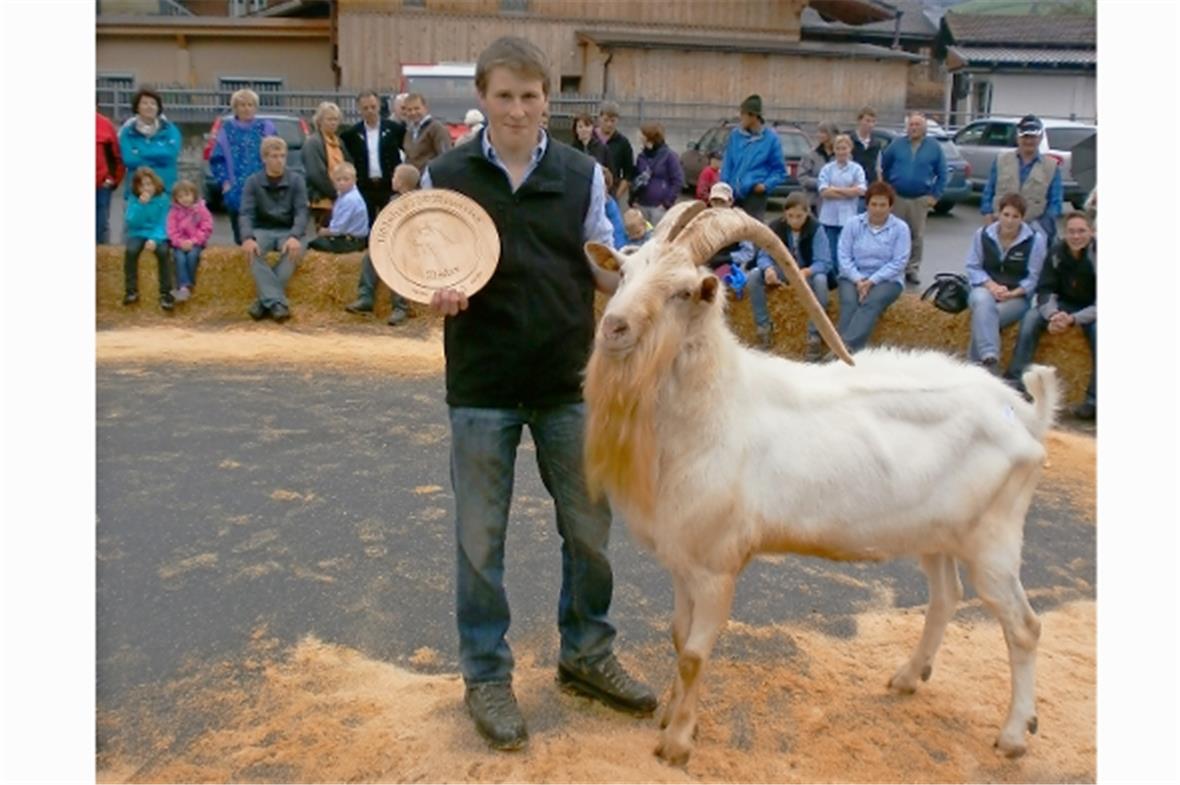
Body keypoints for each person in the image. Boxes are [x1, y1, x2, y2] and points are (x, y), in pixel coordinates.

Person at [420, 35, 656, 752]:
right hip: (483, 384)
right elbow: (421, 265)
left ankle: (586, 653)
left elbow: (607, 268)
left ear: (548, 100)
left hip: (564, 383)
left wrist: (652, 271)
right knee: (479, 539)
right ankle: (487, 674)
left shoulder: (585, 176)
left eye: (530, 96)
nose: (518, 109)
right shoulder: (445, 176)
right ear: (483, 98)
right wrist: (434, 295)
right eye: (504, 96)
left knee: (589, 530)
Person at [1005, 212, 1096, 419]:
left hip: (1092, 308)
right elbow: (1045, 290)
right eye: (1071, 232)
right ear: (1064, 233)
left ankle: (1094, 400)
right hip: (1061, 305)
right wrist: (1053, 314)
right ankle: (1016, 381)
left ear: (1091, 232)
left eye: (1081, 231)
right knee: (1030, 319)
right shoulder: (1056, 252)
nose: (1076, 236)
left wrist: (1073, 319)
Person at [964, 193, 1046, 373]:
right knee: (983, 303)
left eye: (1015, 216)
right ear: (999, 214)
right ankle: (990, 355)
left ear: (1022, 218)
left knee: (986, 318)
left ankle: (974, 368)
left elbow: (1034, 277)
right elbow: (972, 266)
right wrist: (991, 286)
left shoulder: (1035, 240)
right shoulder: (982, 234)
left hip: (1016, 296)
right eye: (1006, 215)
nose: (1009, 221)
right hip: (985, 288)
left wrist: (1013, 293)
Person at [747, 192, 834, 357]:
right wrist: (768, 269)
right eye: (790, 216)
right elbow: (764, 254)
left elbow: (824, 262)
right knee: (754, 275)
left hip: (806, 272)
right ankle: (763, 326)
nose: (794, 220)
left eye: (799, 216)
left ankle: (814, 334)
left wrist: (807, 271)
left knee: (821, 281)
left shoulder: (816, 229)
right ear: (784, 215)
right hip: (784, 270)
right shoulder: (775, 227)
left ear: (807, 214)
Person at [239, 136, 309, 323]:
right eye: (274, 156)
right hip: (262, 229)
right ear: (264, 158)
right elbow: (245, 213)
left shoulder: (296, 180)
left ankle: (264, 302)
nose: (279, 160)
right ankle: (277, 303)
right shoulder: (253, 182)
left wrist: (295, 235)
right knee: (252, 252)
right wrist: (247, 237)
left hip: (286, 230)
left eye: (282, 156)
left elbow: (302, 212)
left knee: (294, 252)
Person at [835, 181, 910, 352]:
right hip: (853, 276)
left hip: (887, 280)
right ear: (867, 204)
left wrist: (872, 281)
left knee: (872, 302)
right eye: (874, 204)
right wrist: (859, 280)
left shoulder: (900, 228)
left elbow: (899, 262)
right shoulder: (853, 224)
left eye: (883, 205)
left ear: (890, 207)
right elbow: (843, 256)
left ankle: (844, 349)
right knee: (849, 303)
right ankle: (845, 350)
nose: (878, 209)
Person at [345, 163, 421, 324]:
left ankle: (400, 307)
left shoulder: (416, 203)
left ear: (401, 182)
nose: (392, 179)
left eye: (394, 176)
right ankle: (365, 297)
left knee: (398, 265)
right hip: (392, 243)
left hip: (410, 248)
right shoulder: (393, 199)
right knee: (370, 256)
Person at [880, 111, 945, 286]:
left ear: (924, 128)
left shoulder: (934, 147)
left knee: (917, 235)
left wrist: (935, 195)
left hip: (920, 198)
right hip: (898, 197)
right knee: (895, 234)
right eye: (911, 124)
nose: (914, 128)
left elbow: (943, 173)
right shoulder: (896, 145)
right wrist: (888, 189)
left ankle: (912, 269)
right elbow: (885, 166)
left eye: (917, 125)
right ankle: (894, 268)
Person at [980, 114, 1063, 246]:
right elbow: (989, 190)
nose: (1029, 141)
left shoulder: (1051, 166)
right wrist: (988, 214)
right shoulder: (1001, 160)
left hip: (1034, 229)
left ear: (1040, 138)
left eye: (1033, 137)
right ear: (1017, 138)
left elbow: (1056, 202)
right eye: (1025, 137)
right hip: (1000, 226)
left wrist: (1041, 225)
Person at [209, 88, 277, 245]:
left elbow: (277, 153)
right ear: (235, 108)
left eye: (250, 105)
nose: (246, 108)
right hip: (236, 189)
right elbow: (217, 159)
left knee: (262, 236)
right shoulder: (226, 130)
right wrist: (225, 182)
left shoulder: (266, 127)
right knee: (241, 237)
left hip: (263, 188)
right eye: (242, 105)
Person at [341, 90, 407, 227]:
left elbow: (406, 152)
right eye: (365, 108)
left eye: (373, 107)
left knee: (389, 225)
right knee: (367, 225)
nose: (370, 111)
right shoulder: (351, 134)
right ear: (359, 109)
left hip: (389, 185)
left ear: (379, 106)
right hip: (365, 186)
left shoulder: (395, 129)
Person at [719, 94, 786, 221]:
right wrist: (724, 188)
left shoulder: (771, 139)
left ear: (753, 116)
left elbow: (779, 171)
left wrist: (765, 185)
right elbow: (727, 164)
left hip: (755, 195)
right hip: (733, 194)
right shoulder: (735, 136)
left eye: (743, 114)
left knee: (751, 233)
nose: (740, 118)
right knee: (731, 233)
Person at [122, 166, 174, 310]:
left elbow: (163, 222)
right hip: (138, 233)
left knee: (164, 253)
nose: (147, 188)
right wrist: (140, 206)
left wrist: (155, 239)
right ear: (137, 187)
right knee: (131, 251)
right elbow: (131, 221)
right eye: (142, 185)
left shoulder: (163, 199)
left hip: (157, 234)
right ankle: (131, 291)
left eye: (149, 184)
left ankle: (166, 294)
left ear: (155, 184)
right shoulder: (134, 199)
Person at [118, 88, 182, 200]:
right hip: (137, 192)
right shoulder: (127, 132)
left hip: (164, 190)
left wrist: (142, 153)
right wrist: (158, 155)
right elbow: (129, 160)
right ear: (137, 107)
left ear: (158, 108)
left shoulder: (170, 129)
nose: (149, 106)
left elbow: (170, 156)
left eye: (153, 103)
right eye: (144, 103)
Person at [302, 101, 352, 231]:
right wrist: (335, 193)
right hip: (322, 199)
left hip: (341, 197)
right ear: (319, 121)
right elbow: (315, 174)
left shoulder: (339, 142)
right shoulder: (312, 143)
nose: (333, 123)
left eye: (335, 119)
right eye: (329, 119)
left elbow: (349, 165)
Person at [816, 133, 866, 258]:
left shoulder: (857, 169)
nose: (841, 152)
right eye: (838, 149)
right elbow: (824, 192)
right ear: (834, 150)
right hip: (829, 217)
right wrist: (849, 191)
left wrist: (834, 189)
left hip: (849, 216)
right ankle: (832, 275)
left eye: (844, 148)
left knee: (846, 250)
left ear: (850, 149)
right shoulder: (827, 169)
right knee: (830, 250)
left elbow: (861, 190)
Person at [165, 179, 213, 303]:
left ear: (194, 195)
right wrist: (180, 242)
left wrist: (194, 241)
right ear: (176, 198)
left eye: (187, 195)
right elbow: (171, 230)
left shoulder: (201, 210)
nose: (184, 199)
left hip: (196, 242)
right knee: (179, 258)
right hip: (180, 243)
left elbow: (206, 227)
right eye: (180, 196)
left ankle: (189, 284)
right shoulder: (173, 212)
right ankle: (183, 286)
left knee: (192, 256)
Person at [308, 162, 369, 254]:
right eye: (338, 180)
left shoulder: (350, 199)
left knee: (310, 242)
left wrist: (321, 232)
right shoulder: (344, 195)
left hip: (350, 242)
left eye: (346, 179)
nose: (342, 183)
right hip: (348, 238)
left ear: (354, 180)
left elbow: (336, 230)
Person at [631, 122, 684, 226]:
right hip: (642, 204)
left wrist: (667, 203)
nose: (639, 137)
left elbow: (678, 180)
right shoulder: (641, 157)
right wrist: (633, 199)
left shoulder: (669, 156)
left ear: (649, 137)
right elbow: (636, 178)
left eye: (642, 134)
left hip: (659, 207)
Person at [597, 101, 636, 209]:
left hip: (611, 194)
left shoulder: (623, 143)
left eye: (612, 121)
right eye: (606, 120)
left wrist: (616, 195)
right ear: (599, 118)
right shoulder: (591, 138)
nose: (609, 124)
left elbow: (629, 174)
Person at [401, 93, 452, 171]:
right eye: (409, 110)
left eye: (416, 108)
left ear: (425, 108)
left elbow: (445, 157)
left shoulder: (436, 128)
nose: (413, 113)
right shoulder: (409, 131)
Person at [96, 110, 125, 244]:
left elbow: (116, 157)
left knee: (100, 226)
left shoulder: (105, 124)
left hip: (100, 185)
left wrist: (113, 180)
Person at [798, 121, 838, 215]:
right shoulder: (811, 155)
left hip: (836, 202)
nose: (819, 135)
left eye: (823, 132)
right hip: (814, 203)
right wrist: (822, 183)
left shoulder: (841, 155)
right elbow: (802, 177)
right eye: (819, 132)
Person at [850, 106, 883, 194]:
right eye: (867, 121)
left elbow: (878, 167)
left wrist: (879, 186)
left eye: (873, 121)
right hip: (852, 186)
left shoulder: (876, 143)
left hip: (870, 186)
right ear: (859, 121)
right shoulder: (850, 140)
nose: (870, 124)